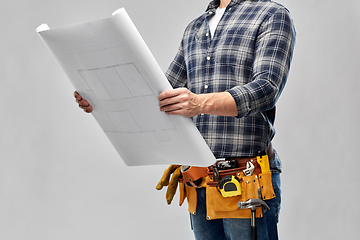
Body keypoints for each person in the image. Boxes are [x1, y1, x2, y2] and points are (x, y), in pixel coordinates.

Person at [75, 0, 295, 239]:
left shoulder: (271, 15)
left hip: (247, 180)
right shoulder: (195, 28)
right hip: (199, 182)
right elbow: (160, 96)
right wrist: (101, 99)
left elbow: (266, 88)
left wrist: (198, 103)